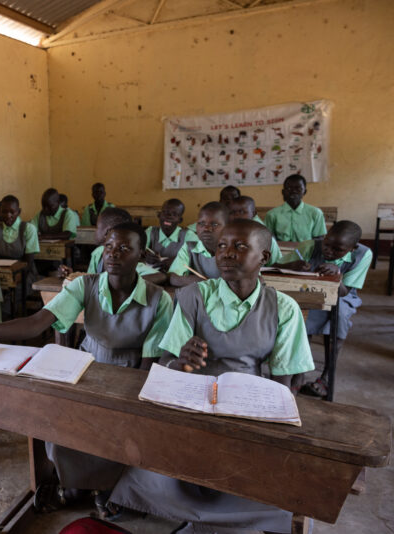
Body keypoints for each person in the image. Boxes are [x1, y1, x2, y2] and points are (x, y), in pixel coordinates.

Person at [0, 222, 173, 517]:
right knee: (56, 416)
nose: (113, 254)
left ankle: (103, 487)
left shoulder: (158, 299)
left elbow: (148, 363)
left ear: (141, 255)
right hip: (87, 368)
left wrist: (129, 395)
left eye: (125, 248)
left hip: (131, 376)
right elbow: (37, 322)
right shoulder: (84, 285)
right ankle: (80, 484)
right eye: (109, 247)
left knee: (117, 423)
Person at [107, 219, 315, 533]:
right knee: (163, 459)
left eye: (240, 246)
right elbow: (167, 364)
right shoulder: (192, 296)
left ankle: (219, 519)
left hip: (249, 402)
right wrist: (181, 363)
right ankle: (196, 516)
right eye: (220, 246)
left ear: (265, 257)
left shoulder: (283, 308)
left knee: (255, 470)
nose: (226, 253)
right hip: (192, 395)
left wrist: (268, 419)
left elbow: (286, 382)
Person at [277, 220, 372, 398]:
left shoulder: (363, 254)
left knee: (340, 315)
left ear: (352, 248)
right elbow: (274, 267)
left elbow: (344, 293)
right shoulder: (310, 246)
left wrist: (337, 275)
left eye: (338, 250)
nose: (329, 251)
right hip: (308, 291)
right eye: (327, 244)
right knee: (301, 314)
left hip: (342, 295)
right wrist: (290, 266)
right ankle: (299, 373)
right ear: (325, 236)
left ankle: (327, 376)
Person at [60, 208, 165, 286]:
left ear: (107, 232)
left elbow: (161, 276)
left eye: (97, 227)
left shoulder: (131, 255)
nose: (95, 231)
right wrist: (74, 275)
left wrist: (121, 284)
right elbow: (91, 278)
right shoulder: (97, 253)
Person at [168, 202, 229, 286]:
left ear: (227, 227)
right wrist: (200, 282)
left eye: (214, 224)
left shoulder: (232, 251)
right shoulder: (189, 248)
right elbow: (173, 278)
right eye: (201, 223)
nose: (206, 228)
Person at [264, 174, 327, 242]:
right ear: (283, 192)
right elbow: (268, 237)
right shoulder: (272, 214)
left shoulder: (316, 213)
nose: (293, 191)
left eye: (298, 188)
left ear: (304, 192)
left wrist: (305, 248)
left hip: (306, 251)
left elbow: (319, 238)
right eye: (289, 188)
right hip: (280, 251)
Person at [228, 195, 282, 265]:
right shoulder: (228, 234)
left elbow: (277, 263)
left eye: (241, 212)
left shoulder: (264, 236)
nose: (236, 216)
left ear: (253, 214)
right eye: (232, 212)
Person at [144, 199, 189, 271]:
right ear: (159, 215)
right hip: (152, 275)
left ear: (180, 220)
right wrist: (145, 256)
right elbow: (138, 253)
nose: (169, 217)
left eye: (174, 214)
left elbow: (197, 258)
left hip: (176, 278)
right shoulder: (150, 232)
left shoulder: (188, 236)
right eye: (165, 212)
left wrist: (176, 261)